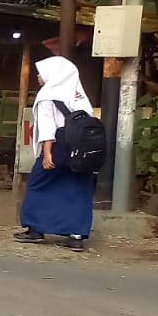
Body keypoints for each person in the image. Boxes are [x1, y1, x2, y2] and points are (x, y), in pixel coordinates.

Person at [16, 56, 97, 252]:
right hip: (81, 149)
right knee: (79, 188)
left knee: (38, 183)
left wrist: (47, 154)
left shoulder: (46, 96)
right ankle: (76, 236)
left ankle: (35, 229)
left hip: (58, 146)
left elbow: (47, 129)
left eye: (41, 72)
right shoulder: (79, 94)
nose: (38, 76)